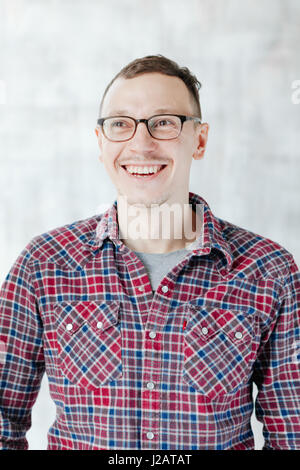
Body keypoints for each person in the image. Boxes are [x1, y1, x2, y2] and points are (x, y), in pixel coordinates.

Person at [0, 54, 299, 451]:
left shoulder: (269, 272)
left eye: (163, 123)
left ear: (200, 140)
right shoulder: (44, 265)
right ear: (101, 142)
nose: (141, 144)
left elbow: (292, 435)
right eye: (121, 124)